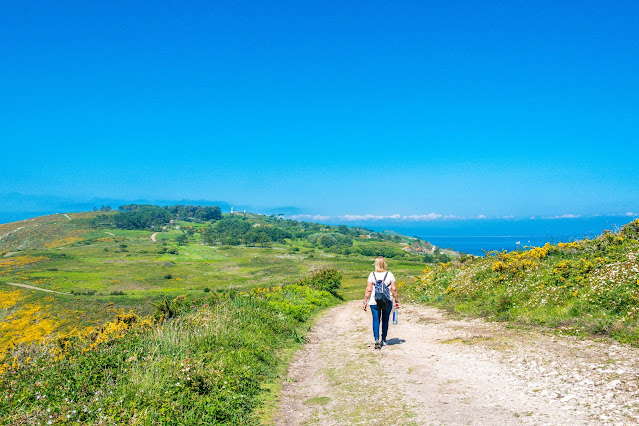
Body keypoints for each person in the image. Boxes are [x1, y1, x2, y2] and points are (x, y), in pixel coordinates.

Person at [362, 256, 399, 349]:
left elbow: (368, 289)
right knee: (385, 320)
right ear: (384, 264)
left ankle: (376, 340)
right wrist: (396, 300)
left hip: (374, 301)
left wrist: (365, 301)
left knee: (376, 320)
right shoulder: (389, 274)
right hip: (387, 300)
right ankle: (384, 339)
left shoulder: (372, 275)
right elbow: (394, 289)